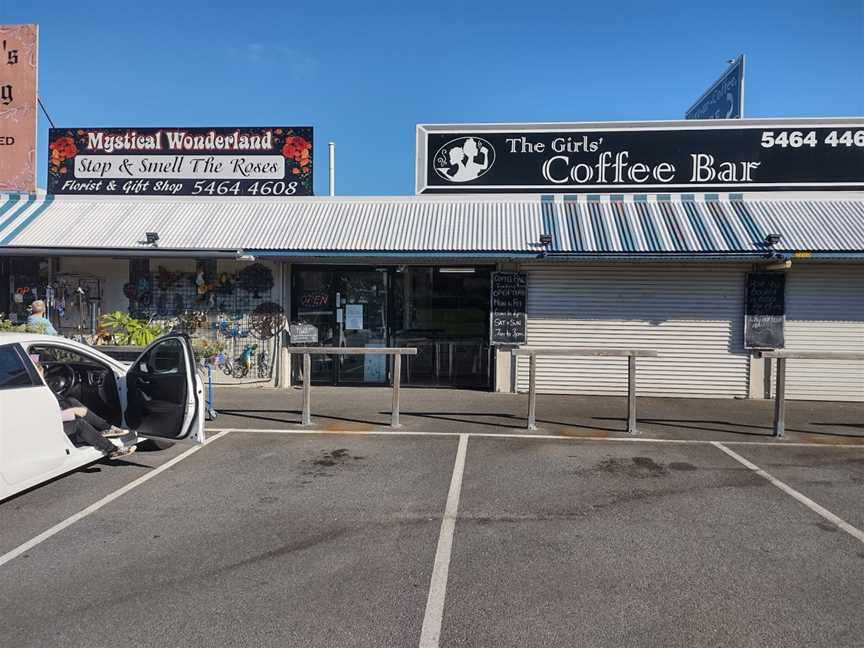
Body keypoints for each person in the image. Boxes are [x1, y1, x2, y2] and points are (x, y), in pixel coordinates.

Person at [31, 356, 136, 458]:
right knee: (79, 424)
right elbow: (44, 417)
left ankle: (107, 428)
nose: (43, 379)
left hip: (52, 419)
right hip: (46, 428)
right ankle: (112, 450)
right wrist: (70, 413)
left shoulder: (34, 385)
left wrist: (71, 409)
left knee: (72, 401)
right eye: (40, 376)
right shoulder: (33, 391)